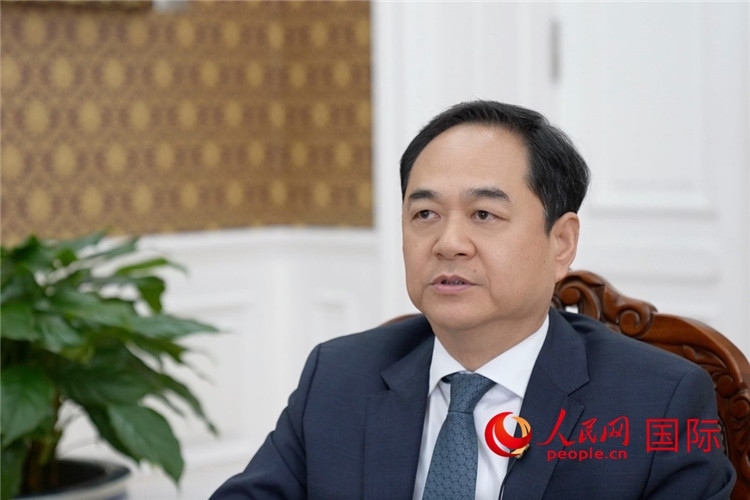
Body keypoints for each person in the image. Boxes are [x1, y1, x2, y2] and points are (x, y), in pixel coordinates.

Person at [210, 100, 735, 499]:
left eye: (484, 215)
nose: (448, 243)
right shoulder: (340, 375)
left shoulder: (658, 402)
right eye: (425, 215)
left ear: (561, 242)